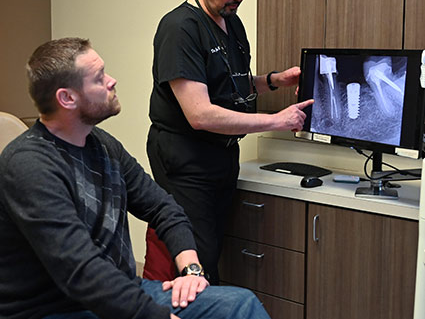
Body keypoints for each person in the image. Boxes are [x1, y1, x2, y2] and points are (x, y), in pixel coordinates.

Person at [0, 37, 271, 319]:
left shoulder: (103, 146)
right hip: (55, 308)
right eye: (99, 78)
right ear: (67, 98)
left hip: (121, 290)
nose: (112, 81)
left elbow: (163, 207)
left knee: (240, 304)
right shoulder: (28, 166)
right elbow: (81, 271)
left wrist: (191, 271)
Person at [145, 0, 314, 284]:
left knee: (211, 248)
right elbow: (201, 113)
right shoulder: (180, 29)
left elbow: (229, 84)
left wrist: (273, 80)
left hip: (221, 158)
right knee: (196, 260)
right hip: (186, 160)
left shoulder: (231, 23)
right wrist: (276, 120)